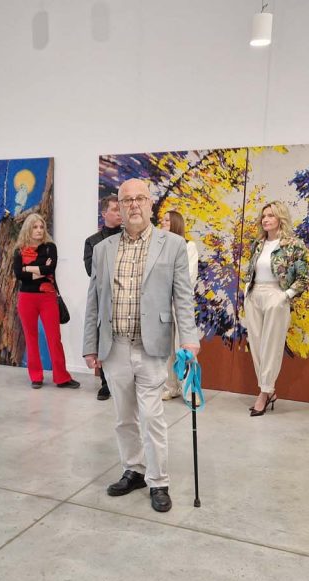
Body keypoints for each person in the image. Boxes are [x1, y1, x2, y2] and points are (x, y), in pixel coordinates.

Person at [82, 179, 200, 513]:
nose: (133, 205)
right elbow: (94, 300)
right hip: (114, 346)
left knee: (151, 416)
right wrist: (90, 345)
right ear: (118, 207)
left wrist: (190, 339)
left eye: (140, 199)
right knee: (124, 417)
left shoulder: (173, 245)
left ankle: (158, 481)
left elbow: (183, 297)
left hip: (152, 346)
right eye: (126, 200)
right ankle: (134, 469)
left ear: (150, 204)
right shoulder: (103, 249)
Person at [241, 201, 309, 415]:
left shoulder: (294, 244)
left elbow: (303, 277)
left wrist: (285, 296)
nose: (266, 219)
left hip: (276, 295)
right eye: (264, 216)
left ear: (280, 217)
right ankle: (268, 390)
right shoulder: (258, 243)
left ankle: (264, 393)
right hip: (254, 295)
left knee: (271, 346)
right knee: (257, 346)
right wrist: (246, 288)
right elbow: (251, 269)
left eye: (270, 215)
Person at [14, 213, 79, 389]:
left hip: (48, 298)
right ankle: (36, 377)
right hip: (26, 299)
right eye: (35, 227)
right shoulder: (19, 250)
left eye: (41, 227)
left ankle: (62, 377)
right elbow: (19, 274)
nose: (39, 230)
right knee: (31, 338)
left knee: (54, 338)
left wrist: (28, 268)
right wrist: (39, 269)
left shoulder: (50, 248)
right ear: (28, 229)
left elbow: (50, 269)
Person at [84, 194, 123, 401]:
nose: (119, 213)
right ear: (104, 213)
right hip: (103, 298)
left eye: (120, 209)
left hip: (125, 298)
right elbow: (91, 272)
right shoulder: (92, 242)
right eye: (115, 209)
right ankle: (105, 383)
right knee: (103, 340)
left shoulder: (129, 239)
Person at [159, 209, 200, 401]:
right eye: (162, 220)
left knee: (185, 348)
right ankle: (171, 387)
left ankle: (191, 391)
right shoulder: (158, 248)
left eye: (167, 220)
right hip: (162, 302)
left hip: (181, 303)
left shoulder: (188, 246)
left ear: (176, 223)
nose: (162, 222)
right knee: (167, 349)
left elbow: (188, 277)